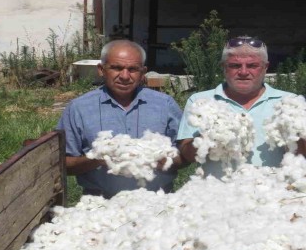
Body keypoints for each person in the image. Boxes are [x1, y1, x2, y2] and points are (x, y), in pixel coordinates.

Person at [57, 40, 182, 198]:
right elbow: (64, 164)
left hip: (158, 200)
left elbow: (184, 156)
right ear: (102, 70)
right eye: (116, 68)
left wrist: (160, 159)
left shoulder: (165, 105)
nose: (124, 76)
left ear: (143, 72)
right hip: (100, 205)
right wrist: (98, 159)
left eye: (133, 69)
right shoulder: (79, 108)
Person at [176, 36, 293, 175]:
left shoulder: (288, 102)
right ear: (223, 67)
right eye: (235, 65)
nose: (243, 72)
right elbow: (187, 156)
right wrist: (209, 135)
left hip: (273, 191)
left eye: (252, 65)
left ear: (265, 67)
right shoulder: (200, 101)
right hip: (216, 192)